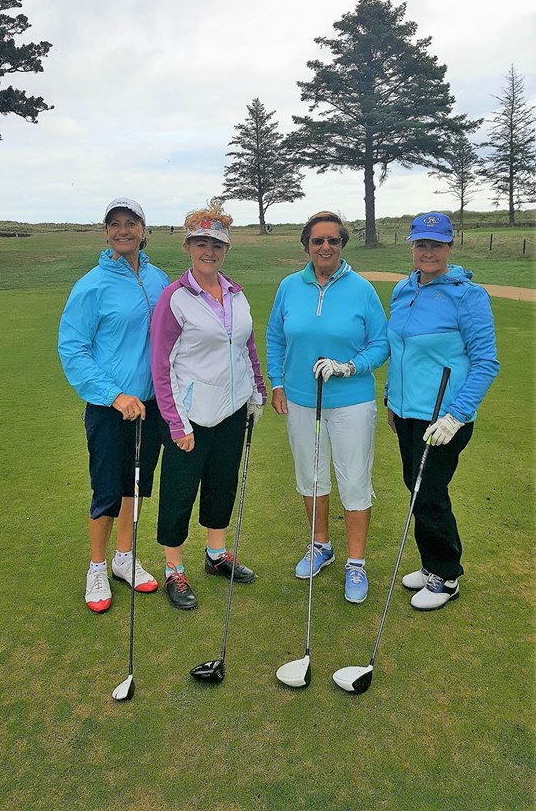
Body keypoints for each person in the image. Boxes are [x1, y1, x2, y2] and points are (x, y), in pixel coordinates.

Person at [266, 211, 389, 603]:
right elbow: (275, 338)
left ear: (341, 245)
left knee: (354, 479)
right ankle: (321, 545)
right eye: (317, 240)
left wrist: (351, 366)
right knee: (311, 476)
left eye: (333, 241)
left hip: (351, 400)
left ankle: (356, 562)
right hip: (302, 399)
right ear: (307, 245)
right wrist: (278, 382)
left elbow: (380, 343)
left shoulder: (361, 289)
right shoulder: (289, 286)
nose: (325, 247)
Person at [150, 200, 267, 610]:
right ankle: (173, 570)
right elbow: (161, 365)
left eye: (216, 244)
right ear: (187, 247)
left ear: (226, 248)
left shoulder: (236, 293)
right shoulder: (174, 298)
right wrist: (176, 423)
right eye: (200, 242)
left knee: (222, 484)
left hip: (232, 410)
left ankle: (216, 555)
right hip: (190, 416)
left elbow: (247, 346)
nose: (208, 251)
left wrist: (257, 391)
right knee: (179, 492)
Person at [58, 198, 169, 612]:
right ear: (106, 232)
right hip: (110, 407)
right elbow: (74, 349)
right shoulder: (92, 284)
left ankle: (125, 558)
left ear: (144, 229)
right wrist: (113, 395)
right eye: (115, 224)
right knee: (106, 489)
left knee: (136, 486)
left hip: (150, 406)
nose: (123, 230)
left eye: (131, 223)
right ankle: (98, 566)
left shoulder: (159, 279)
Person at [386, 211, 499, 610]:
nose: (428, 251)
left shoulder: (468, 296)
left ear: (450, 247)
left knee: (429, 492)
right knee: (415, 489)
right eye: (421, 244)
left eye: (436, 244)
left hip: (443, 416)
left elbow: (486, 362)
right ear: (412, 247)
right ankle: (431, 564)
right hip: (406, 412)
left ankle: (447, 576)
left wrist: (457, 415)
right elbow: (398, 350)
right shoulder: (404, 290)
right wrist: (390, 398)